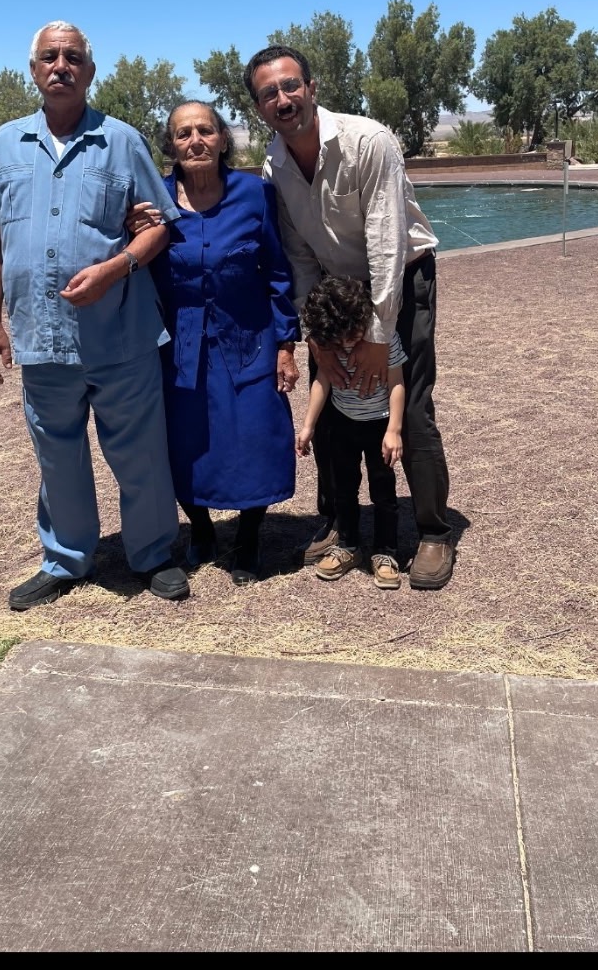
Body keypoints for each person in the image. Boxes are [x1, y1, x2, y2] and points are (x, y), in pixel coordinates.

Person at [0, 21, 191, 608]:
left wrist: (115, 269)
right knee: (57, 456)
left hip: (120, 333)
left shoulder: (121, 142)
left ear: (90, 72)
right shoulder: (3, 145)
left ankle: (152, 554)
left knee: (139, 452)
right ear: (34, 70)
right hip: (40, 336)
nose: (61, 66)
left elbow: (158, 228)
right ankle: (66, 558)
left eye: (72, 57)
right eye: (50, 57)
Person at [244, 46, 454, 590]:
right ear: (259, 107)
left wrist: (379, 337)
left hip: (400, 280)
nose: (283, 99)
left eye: (291, 86)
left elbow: (387, 243)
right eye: (269, 93)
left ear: (312, 88)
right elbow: (298, 254)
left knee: (410, 405)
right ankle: (340, 521)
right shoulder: (275, 164)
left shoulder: (369, 142)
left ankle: (433, 531)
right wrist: (315, 337)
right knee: (335, 407)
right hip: (334, 296)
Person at [144, 102, 299, 584]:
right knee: (183, 442)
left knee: (255, 435)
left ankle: (249, 537)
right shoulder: (153, 201)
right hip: (178, 347)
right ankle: (202, 530)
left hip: (249, 338)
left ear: (223, 139)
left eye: (205, 130)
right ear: (172, 146)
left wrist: (286, 344)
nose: (196, 141)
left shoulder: (255, 194)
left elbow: (277, 272)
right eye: (183, 133)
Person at [295, 275, 406, 589]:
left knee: (383, 492)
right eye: (338, 340)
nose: (346, 344)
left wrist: (394, 430)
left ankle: (386, 552)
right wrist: (308, 425)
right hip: (343, 423)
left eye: (353, 337)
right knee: (343, 489)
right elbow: (322, 381)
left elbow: (397, 383)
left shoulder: (384, 338)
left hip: (379, 426)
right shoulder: (330, 339)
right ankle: (348, 544)